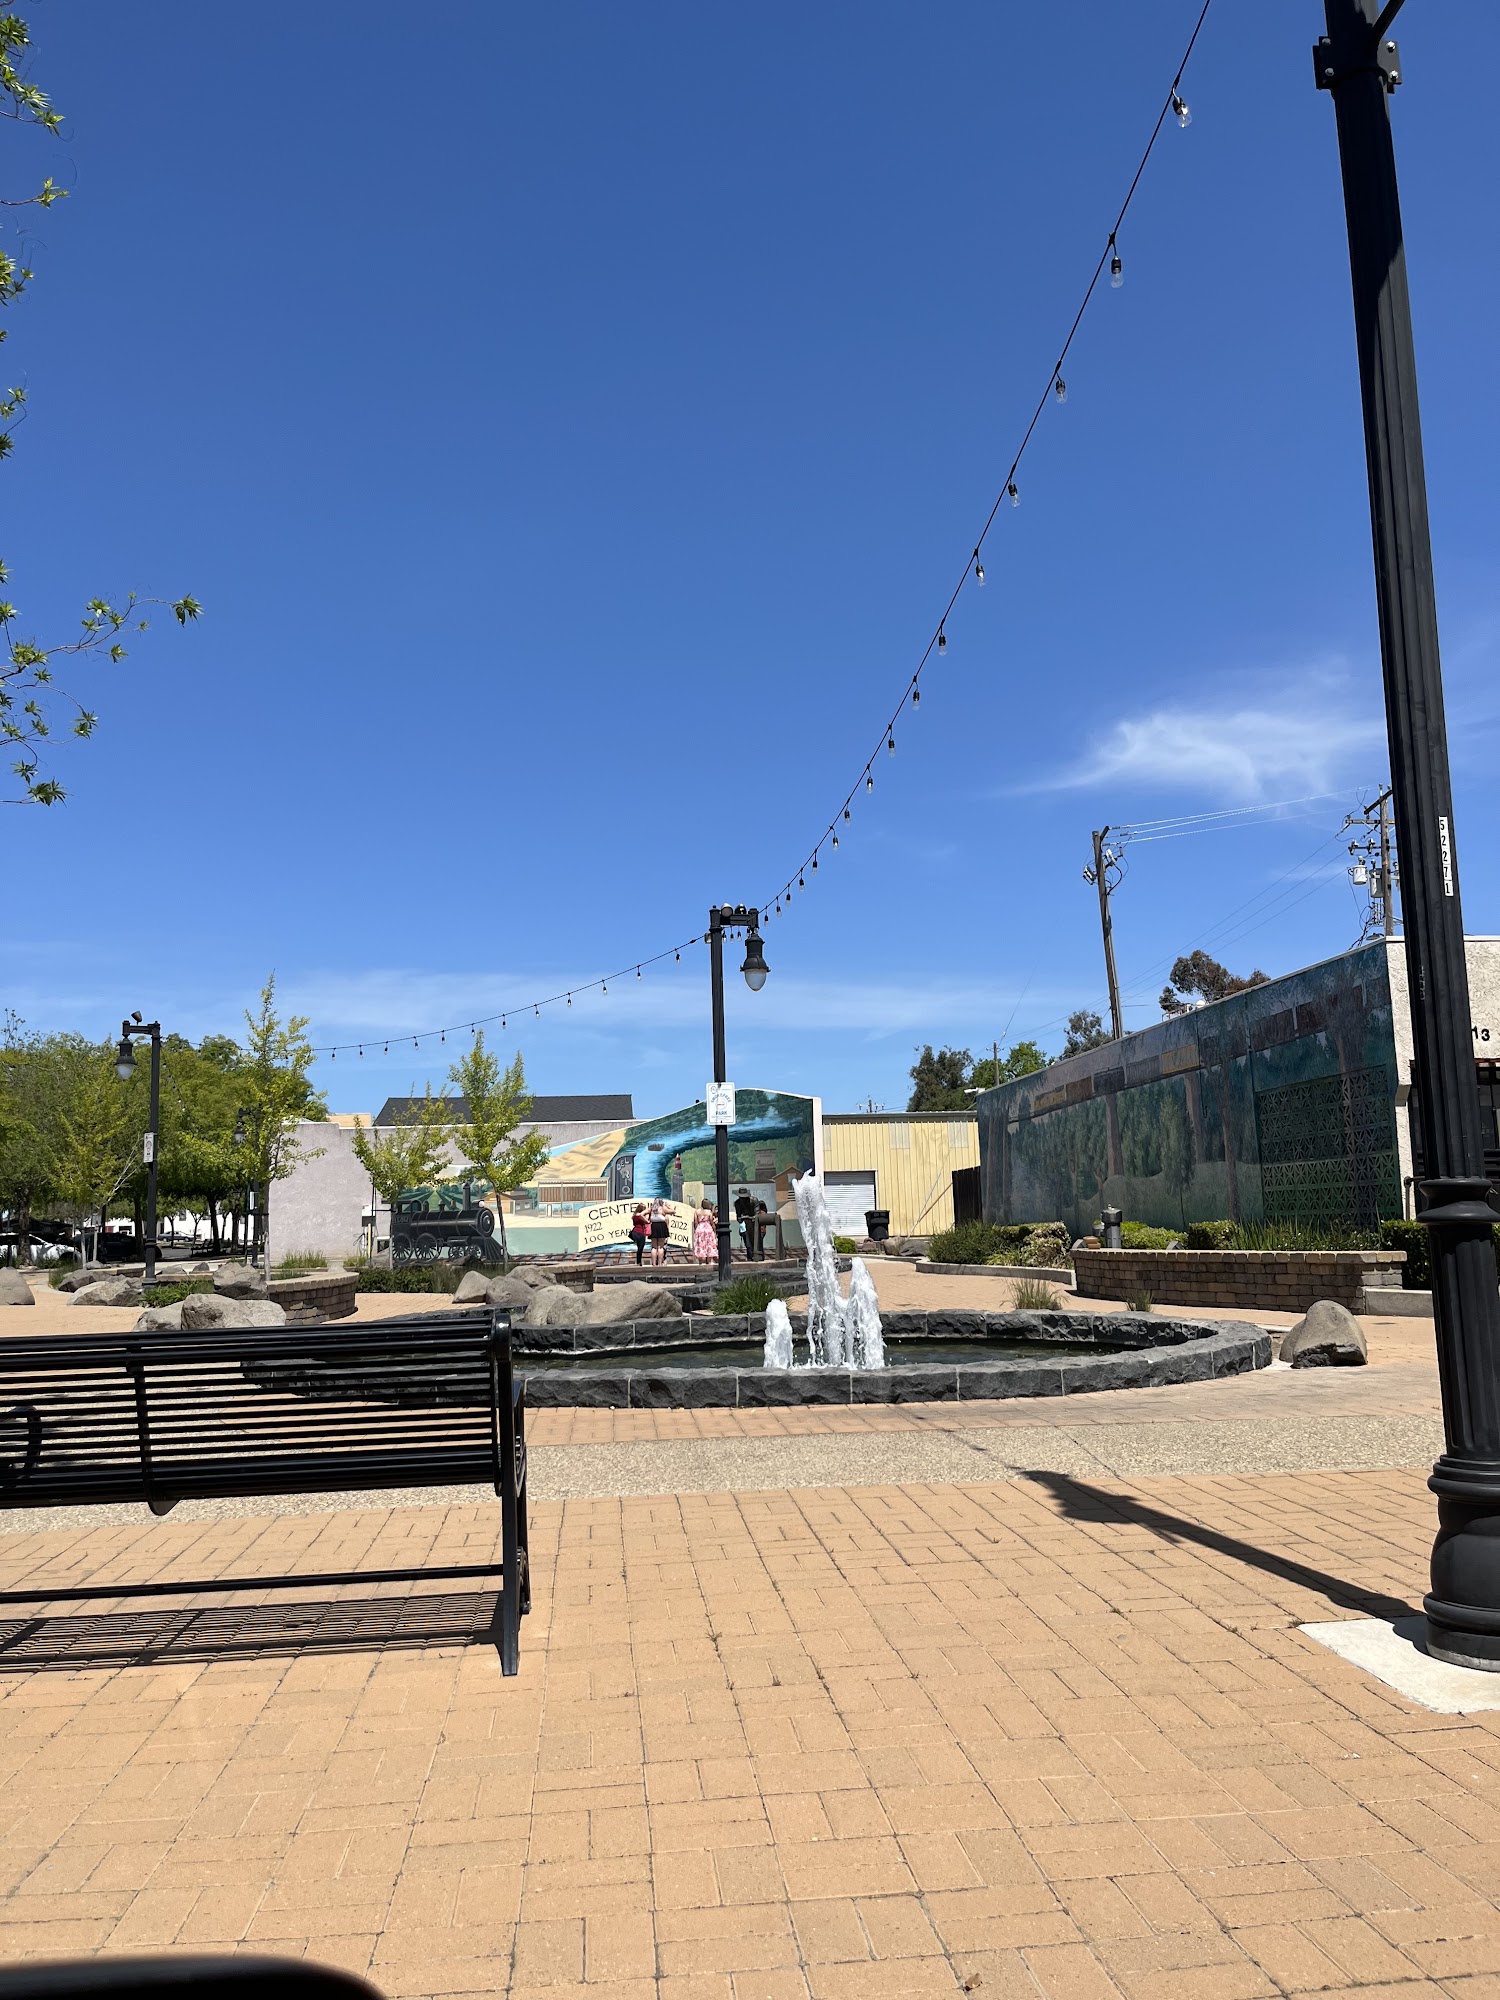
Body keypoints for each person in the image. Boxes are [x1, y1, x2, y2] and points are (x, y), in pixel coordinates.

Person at [733, 1187, 759, 1261]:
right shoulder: (737, 1203)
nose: (743, 1200)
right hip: (744, 1225)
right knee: (747, 1241)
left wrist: (749, 1217)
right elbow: (738, 1217)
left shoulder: (754, 1200)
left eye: (745, 1198)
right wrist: (742, 1219)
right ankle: (750, 1256)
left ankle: (756, 1255)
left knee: (755, 1240)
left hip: (754, 1224)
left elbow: (757, 1214)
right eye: (742, 1198)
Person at [693, 1198, 717, 1266]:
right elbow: (711, 1221)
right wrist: (714, 1229)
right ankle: (709, 1261)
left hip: (699, 1228)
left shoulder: (697, 1211)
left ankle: (701, 1261)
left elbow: (695, 1222)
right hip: (708, 1228)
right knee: (709, 1244)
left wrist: (696, 1229)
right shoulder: (709, 1212)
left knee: (700, 1244)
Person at [648, 1197, 670, 1268]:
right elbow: (673, 1211)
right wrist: (667, 1206)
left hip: (653, 1227)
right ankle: (660, 1263)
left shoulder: (651, 1209)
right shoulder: (662, 1209)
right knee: (660, 1247)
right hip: (661, 1227)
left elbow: (647, 1217)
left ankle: (654, 1264)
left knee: (654, 1247)